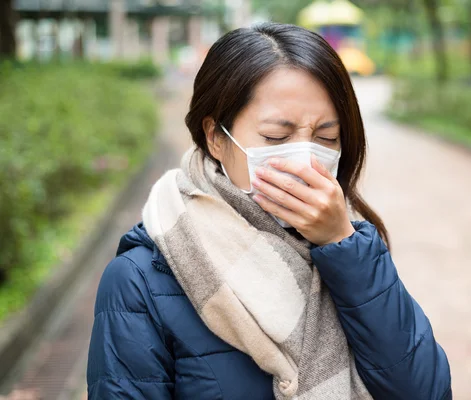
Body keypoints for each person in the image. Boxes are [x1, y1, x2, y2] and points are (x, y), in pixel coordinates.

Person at [86, 23, 452, 400]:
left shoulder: (353, 246)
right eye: (277, 137)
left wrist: (342, 245)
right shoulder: (140, 281)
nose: (307, 160)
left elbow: (426, 390)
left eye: (327, 138)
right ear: (215, 137)